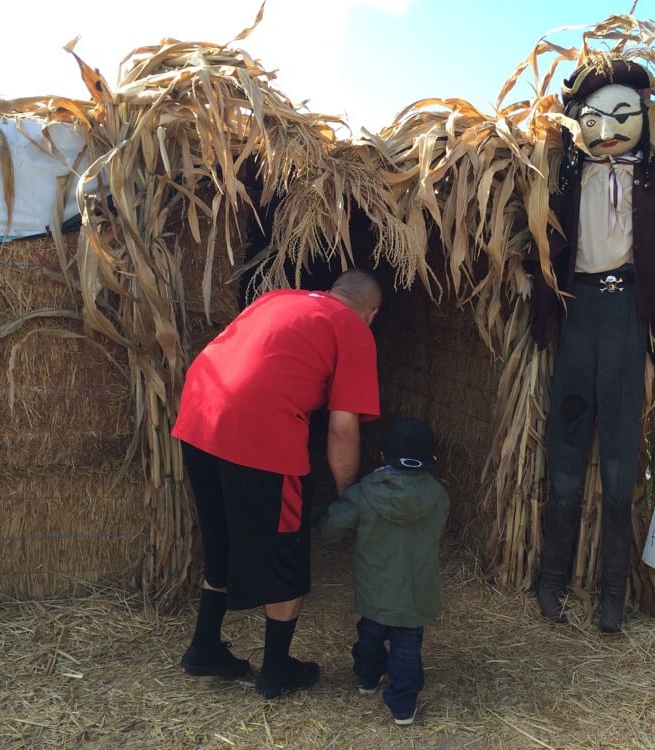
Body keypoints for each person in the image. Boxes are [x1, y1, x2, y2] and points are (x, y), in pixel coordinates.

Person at [172, 268, 382, 699]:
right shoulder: (354, 330)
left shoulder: (279, 298)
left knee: (222, 542)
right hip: (259, 430)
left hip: (199, 414)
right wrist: (350, 502)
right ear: (371, 313)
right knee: (286, 553)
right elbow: (342, 429)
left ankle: (204, 649)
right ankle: (276, 670)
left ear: (331, 290)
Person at [528, 56, 655, 633]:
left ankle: (612, 595)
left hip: (626, 314)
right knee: (567, 437)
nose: (608, 129)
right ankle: (552, 581)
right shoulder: (567, 178)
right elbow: (548, 245)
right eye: (594, 118)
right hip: (579, 310)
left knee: (621, 445)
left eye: (622, 115)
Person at [318, 417, 449, 726]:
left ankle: (367, 678)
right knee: (407, 649)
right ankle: (402, 706)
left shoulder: (364, 493)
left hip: (374, 588)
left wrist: (320, 522)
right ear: (432, 460)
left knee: (370, 635)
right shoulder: (439, 497)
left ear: (381, 456)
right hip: (416, 592)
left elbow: (331, 527)